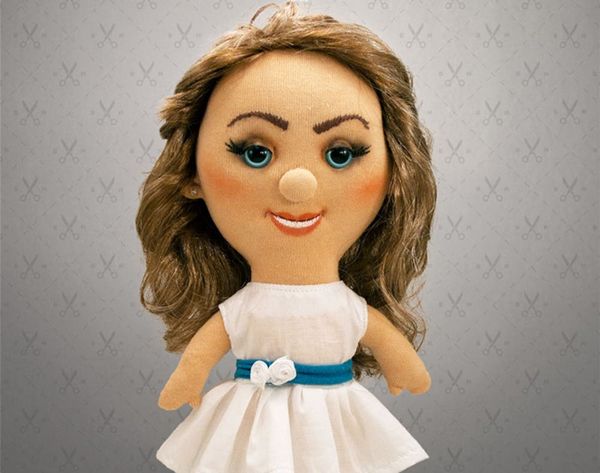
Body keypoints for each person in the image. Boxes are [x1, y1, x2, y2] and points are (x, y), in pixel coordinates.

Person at [135, 1, 437, 471]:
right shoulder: (246, 309)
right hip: (251, 416)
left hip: (333, 415)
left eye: (341, 154)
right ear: (191, 172)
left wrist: (403, 366)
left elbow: (380, 337)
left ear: (396, 173)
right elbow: (208, 347)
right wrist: (189, 377)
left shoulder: (347, 309)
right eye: (255, 152)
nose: (299, 183)